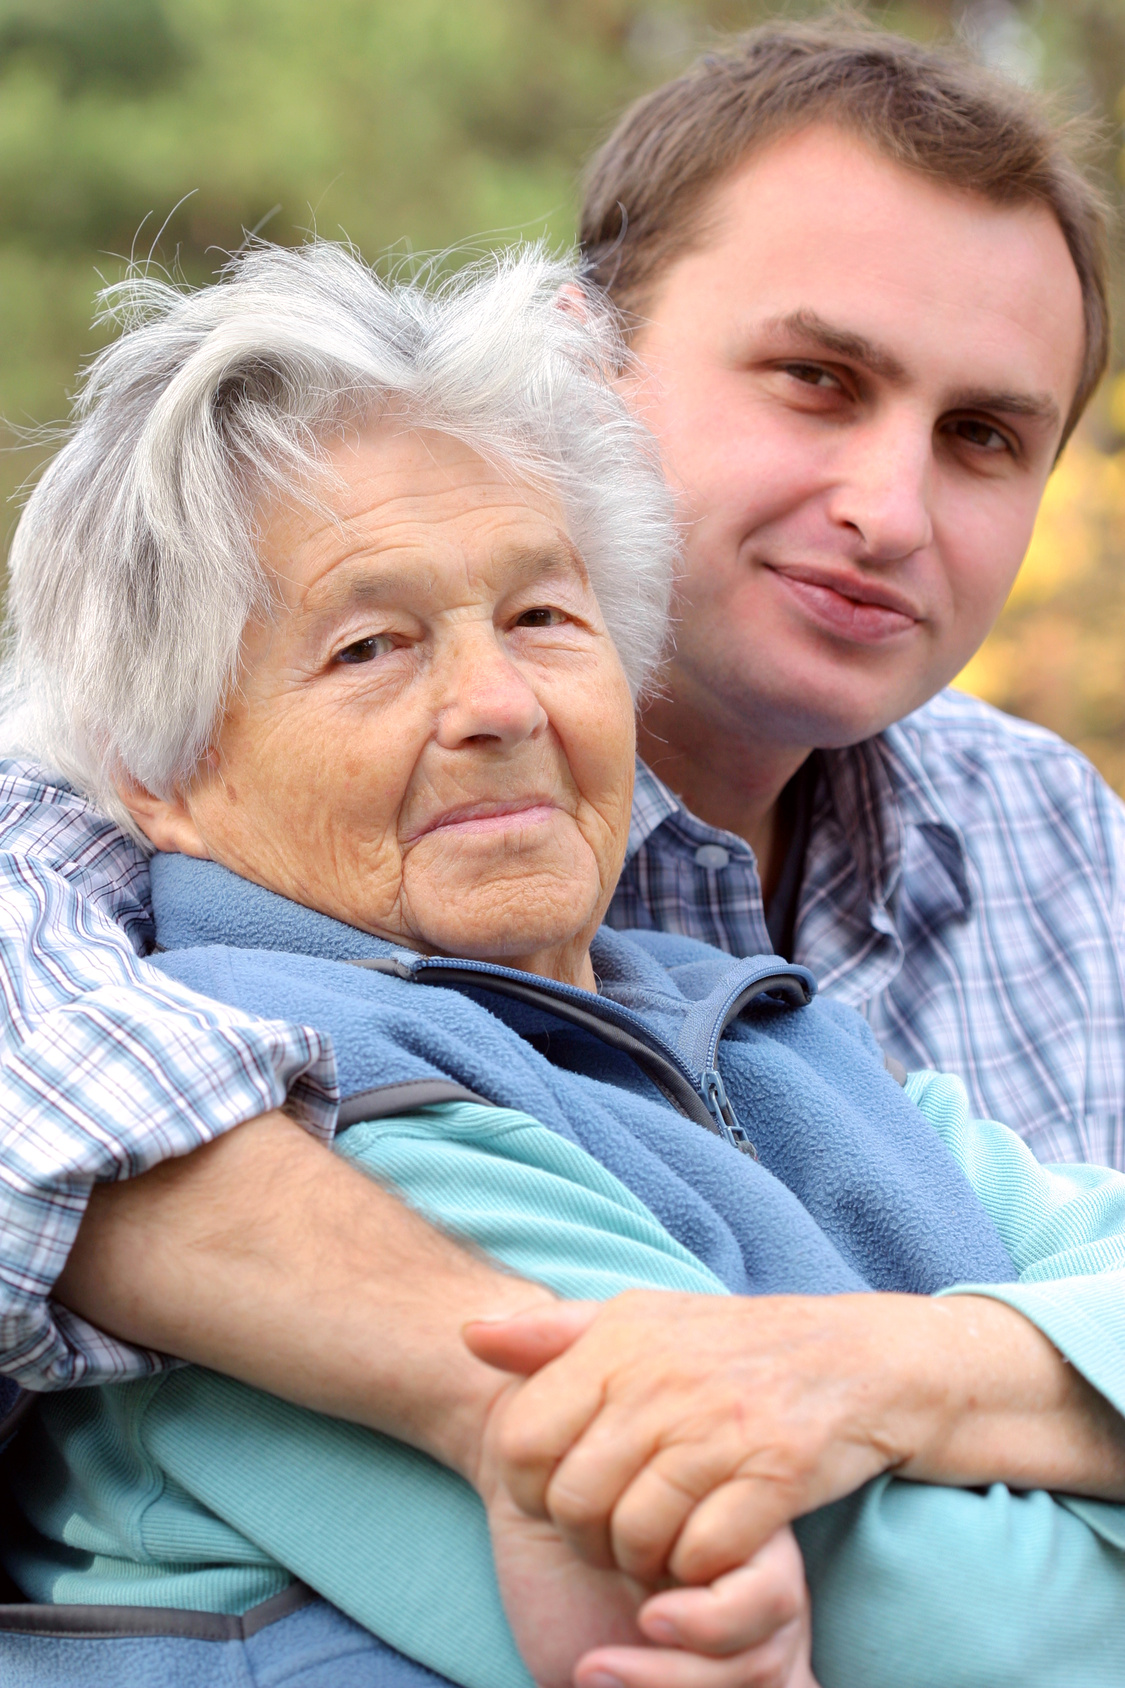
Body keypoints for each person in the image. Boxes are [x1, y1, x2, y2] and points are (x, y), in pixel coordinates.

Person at [0, 11, 1119, 1666]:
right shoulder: (258, 1041)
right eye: (816, 378)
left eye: (982, 438)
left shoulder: (951, 880)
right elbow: (949, 1631)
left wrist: (872, 1380)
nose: (889, 509)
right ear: (597, 368)